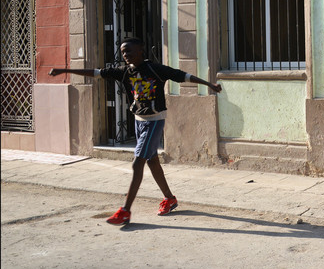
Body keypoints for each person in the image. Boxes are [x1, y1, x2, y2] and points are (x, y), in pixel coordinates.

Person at [49, 37, 222, 226]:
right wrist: (65, 70)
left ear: (141, 51)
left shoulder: (156, 69)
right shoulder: (124, 72)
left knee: (137, 162)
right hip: (138, 120)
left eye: (129, 51)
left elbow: (183, 75)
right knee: (152, 161)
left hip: (154, 121)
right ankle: (170, 198)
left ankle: (125, 211)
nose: (125, 55)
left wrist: (209, 85)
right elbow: (97, 73)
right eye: (123, 52)